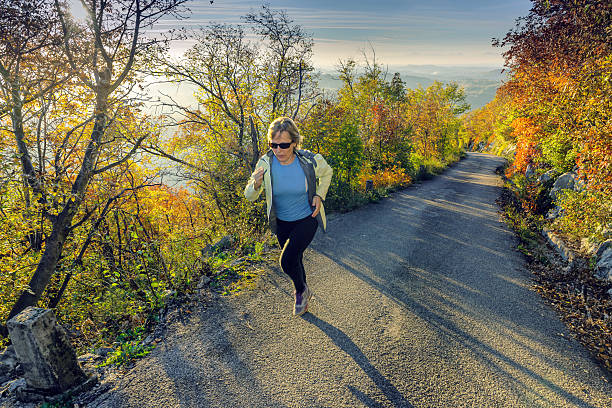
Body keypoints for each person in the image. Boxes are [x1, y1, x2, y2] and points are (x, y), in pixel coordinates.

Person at [244, 117, 333, 316]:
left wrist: (319, 194)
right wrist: (256, 185)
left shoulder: (309, 160)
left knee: (286, 261)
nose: (278, 150)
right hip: (282, 222)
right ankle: (303, 288)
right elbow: (249, 196)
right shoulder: (265, 163)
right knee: (296, 258)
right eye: (273, 145)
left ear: (294, 143)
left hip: (307, 217)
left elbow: (327, 173)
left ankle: (300, 290)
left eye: (284, 145)